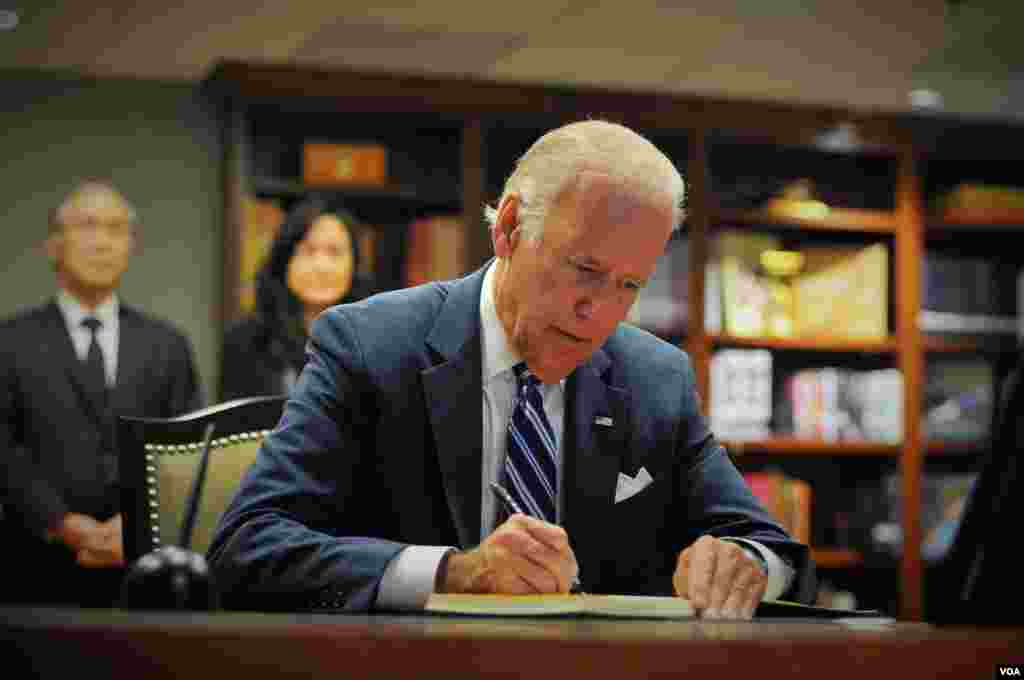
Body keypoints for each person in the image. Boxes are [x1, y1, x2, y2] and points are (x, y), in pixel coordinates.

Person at [207, 121, 815, 618]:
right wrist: (453, 572)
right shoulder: (370, 346)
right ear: (508, 228)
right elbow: (248, 547)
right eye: (583, 268)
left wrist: (744, 563)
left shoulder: (654, 377)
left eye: (628, 285)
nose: (596, 311)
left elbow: (777, 551)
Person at [0, 179, 202, 607]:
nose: (102, 242)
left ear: (131, 247)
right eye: (87, 226)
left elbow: (186, 450)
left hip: (144, 571)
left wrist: (135, 525)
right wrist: (61, 523)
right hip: (32, 568)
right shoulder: (10, 343)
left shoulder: (167, 345)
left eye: (116, 229)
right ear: (54, 244)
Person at [219, 198, 367, 401]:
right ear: (285, 260)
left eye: (334, 252)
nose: (321, 266)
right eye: (308, 251)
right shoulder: (245, 342)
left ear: (354, 264)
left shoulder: (375, 340)